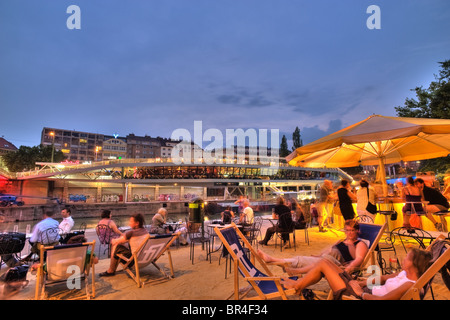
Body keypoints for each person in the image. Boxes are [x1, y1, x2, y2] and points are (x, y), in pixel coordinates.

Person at [281, 247, 432, 300]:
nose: (404, 258)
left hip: (360, 296)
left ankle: (298, 286)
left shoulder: (409, 285)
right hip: (364, 289)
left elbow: (382, 300)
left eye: (407, 257)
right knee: (327, 262)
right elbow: (383, 277)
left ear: (414, 264)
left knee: (322, 264)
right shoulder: (404, 274)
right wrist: (363, 282)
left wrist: (360, 293)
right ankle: (298, 284)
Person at [257, 220, 369, 276]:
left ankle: (276, 261)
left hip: (337, 265)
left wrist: (350, 267)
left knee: (306, 261)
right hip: (326, 259)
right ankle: (278, 262)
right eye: (347, 230)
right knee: (303, 259)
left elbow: (359, 259)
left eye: (352, 231)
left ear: (357, 231)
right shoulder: (342, 240)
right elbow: (330, 249)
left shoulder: (360, 244)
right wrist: (319, 255)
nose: (349, 233)